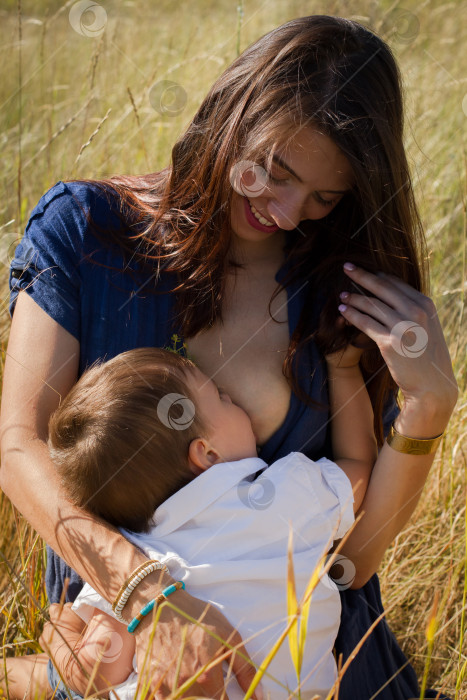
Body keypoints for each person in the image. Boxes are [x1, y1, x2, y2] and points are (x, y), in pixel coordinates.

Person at [0, 13, 458, 700]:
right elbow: (18, 445)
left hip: (315, 666)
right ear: (231, 114)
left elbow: (352, 566)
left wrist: (428, 410)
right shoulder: (89, 233)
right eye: (273, 171)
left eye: (322, 197)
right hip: (126, 657)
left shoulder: (341, 290)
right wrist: (146, 594)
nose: (286, 211)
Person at [2, 342, 375, 700]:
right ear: (206, 454)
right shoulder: (293, 491)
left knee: (49, 679)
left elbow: (101, 670)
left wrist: (70, 655)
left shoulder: (128, 553)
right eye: (221, 397)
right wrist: (343, 369)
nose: (231, 397)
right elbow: (358, 464)